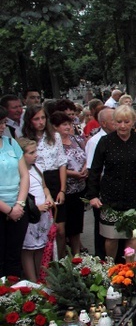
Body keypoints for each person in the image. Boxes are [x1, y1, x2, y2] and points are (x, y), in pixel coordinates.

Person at [87, 105, 136, 259]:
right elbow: (95, 170)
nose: (122, 125)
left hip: (133, 194)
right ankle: (112, 269)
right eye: (119, 122)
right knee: (111, 237)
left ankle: (129, 270)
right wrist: (93, 195)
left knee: (131, 235)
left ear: (133, 123)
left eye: (126, 122)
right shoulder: (106, 141)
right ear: (114, 122)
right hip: (110, 196)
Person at [22, 104, 67, 257]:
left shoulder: (55, 136)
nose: (40, 122)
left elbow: (62, 162)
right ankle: (45, 264)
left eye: (43, 118)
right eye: (36, 119)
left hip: (55, 179)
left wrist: (62, 189)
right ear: (30, 121)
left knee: (60, 229)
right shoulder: (26, 140)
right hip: (37, 180)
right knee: (44, 228)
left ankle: (60, 261)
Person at [17, 137, 54, 282]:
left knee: (41, 246)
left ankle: (41, 278)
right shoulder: (19, 172)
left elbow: (44, 186)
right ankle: (31, 280)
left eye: (35, 151)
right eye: (31, 152)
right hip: (30, 215)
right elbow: (19, 195)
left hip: (43, 215)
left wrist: (49, 196)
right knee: (28, 250)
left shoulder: (37, 167)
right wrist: (36, 207)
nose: (36, 154)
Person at [51, 111, 87, 257]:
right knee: (62, 228)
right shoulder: (53, 144)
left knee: (76, 225)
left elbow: (86, 155)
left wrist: (85, 169)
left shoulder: (76, 139)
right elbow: (56, 165)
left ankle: (77, 255)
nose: (68, 127)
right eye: (64, 124)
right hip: (64, 188)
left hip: (79, 188)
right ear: (55, 127)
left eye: (69, 124)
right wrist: (74, 173)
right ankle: (61, 257)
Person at [0, 107, 29, 278]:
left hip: (18, 207)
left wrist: (19, 204)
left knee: (14, 255)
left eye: (3, 122)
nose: (2, 126)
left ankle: (13, 295)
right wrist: (8, 210)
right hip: (4, 208)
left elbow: (24, 175)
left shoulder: (11, 143)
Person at [85, 107, 116, 259]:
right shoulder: (95, 141)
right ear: (103, 123)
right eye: (113, 120)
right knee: (102, 227)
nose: (117, 123)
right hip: (102, 190)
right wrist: (94, 194)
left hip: (116, 189)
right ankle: (101, 258)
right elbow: (92, 171)